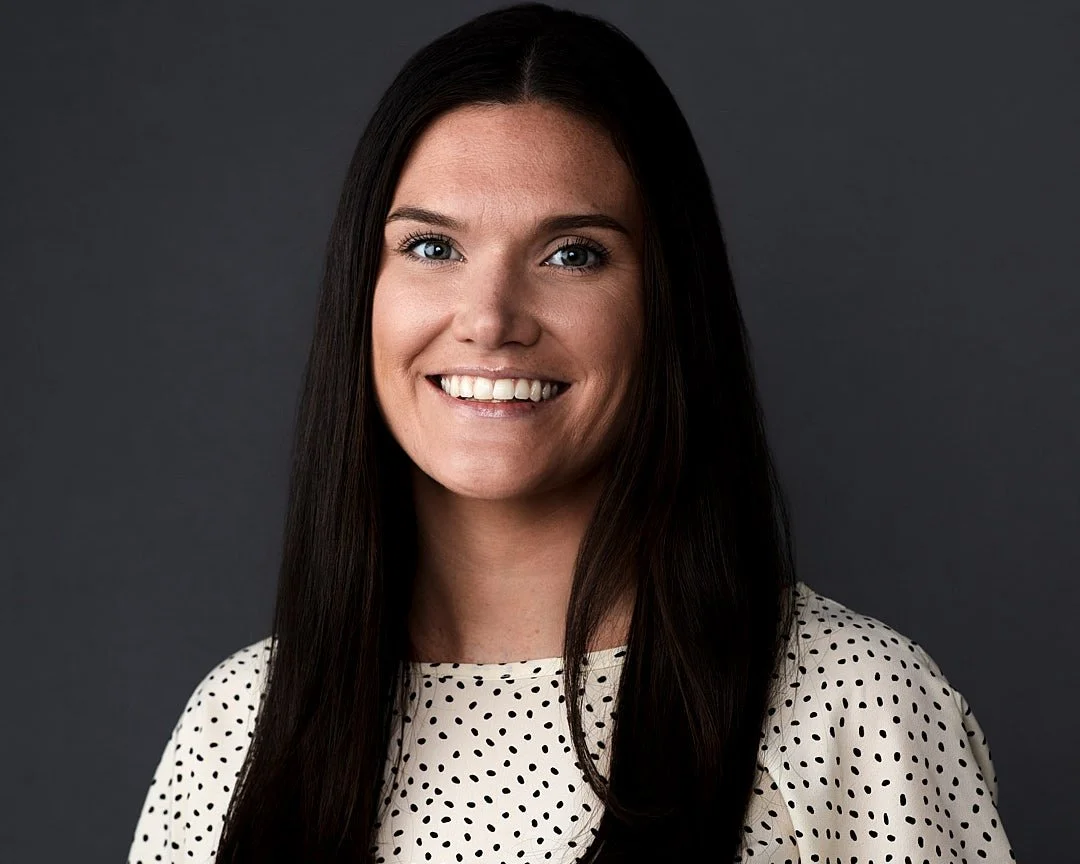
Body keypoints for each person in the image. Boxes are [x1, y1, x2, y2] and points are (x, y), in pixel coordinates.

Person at [126, 4, 1015, 862]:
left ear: (666, 306)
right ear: (363, 290)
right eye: (433, 248)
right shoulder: (237, 728)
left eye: (572, 254)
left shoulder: (852, 704)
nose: (489, 318)